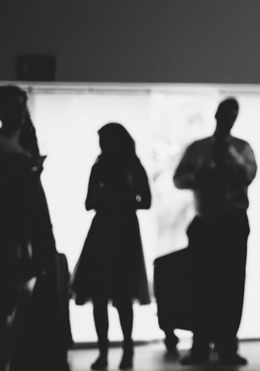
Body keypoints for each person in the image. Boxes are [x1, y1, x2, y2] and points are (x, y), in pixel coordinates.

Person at [0, 85, 67, 371]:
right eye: (15, 105)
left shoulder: (28, 142)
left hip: (32, 222)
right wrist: (17, 171)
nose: (21, 112)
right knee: (2, 298)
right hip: (1, 224)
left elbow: (35, 190)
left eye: (23, 105)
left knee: (32, 297)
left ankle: (25, 360)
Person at [173, 98, 257, 366]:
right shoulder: (197, 148)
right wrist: (196, 178)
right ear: (216, 115)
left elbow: (248, 176)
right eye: (224, 114)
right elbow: (178, 179)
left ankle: (227, 346)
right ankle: (200, 346)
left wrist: (230, 153)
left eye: (233, 116)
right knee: (200, 286)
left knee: (232, 286)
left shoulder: (242, 148)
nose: (227, 120)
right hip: (205, 222)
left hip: (233, 222)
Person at [72, 123, 152, 370]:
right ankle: (108, 351)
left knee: (120, 295)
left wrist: (117, 201)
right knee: (102, 294)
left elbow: (146, 201)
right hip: (109, 230)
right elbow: (88, 202)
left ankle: (122, 350)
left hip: (119, 230)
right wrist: (114, 200)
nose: (102, 146)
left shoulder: (131, 167)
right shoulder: (102, 167)